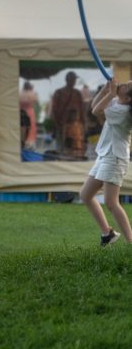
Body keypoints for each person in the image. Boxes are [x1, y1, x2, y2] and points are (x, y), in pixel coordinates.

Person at [79, 79, 132, 247]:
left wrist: (110, 93)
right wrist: (105, 90)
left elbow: (96, 111)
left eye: (128, 86)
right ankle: (107, 234)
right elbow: (94, 104)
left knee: (111, 202)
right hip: (105, 154)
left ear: (128, 97)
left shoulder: (123, 111)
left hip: (115, 158)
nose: (124, 83)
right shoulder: (117, 102)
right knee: (85, 195)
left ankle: (130, 242)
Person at [50, 71, 86, 159]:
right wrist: (57, 125)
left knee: (72, 151)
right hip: (63, 127)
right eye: (73, 79)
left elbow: (81, 111)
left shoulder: (76, 94)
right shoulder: (60, 93)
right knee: (64, 151)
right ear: (68, 80)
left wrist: (83, 126)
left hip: (74, 128)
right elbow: (54, 111)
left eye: (74, 79)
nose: (74, 81)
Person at [19, 81, 38, 151]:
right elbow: (36, 101)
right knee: (31, 128)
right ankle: (30, 143)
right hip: (30, 113)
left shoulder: (19, 94)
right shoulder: (33, 94)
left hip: (21, 113)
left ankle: (22, 143)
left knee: (22, 128)